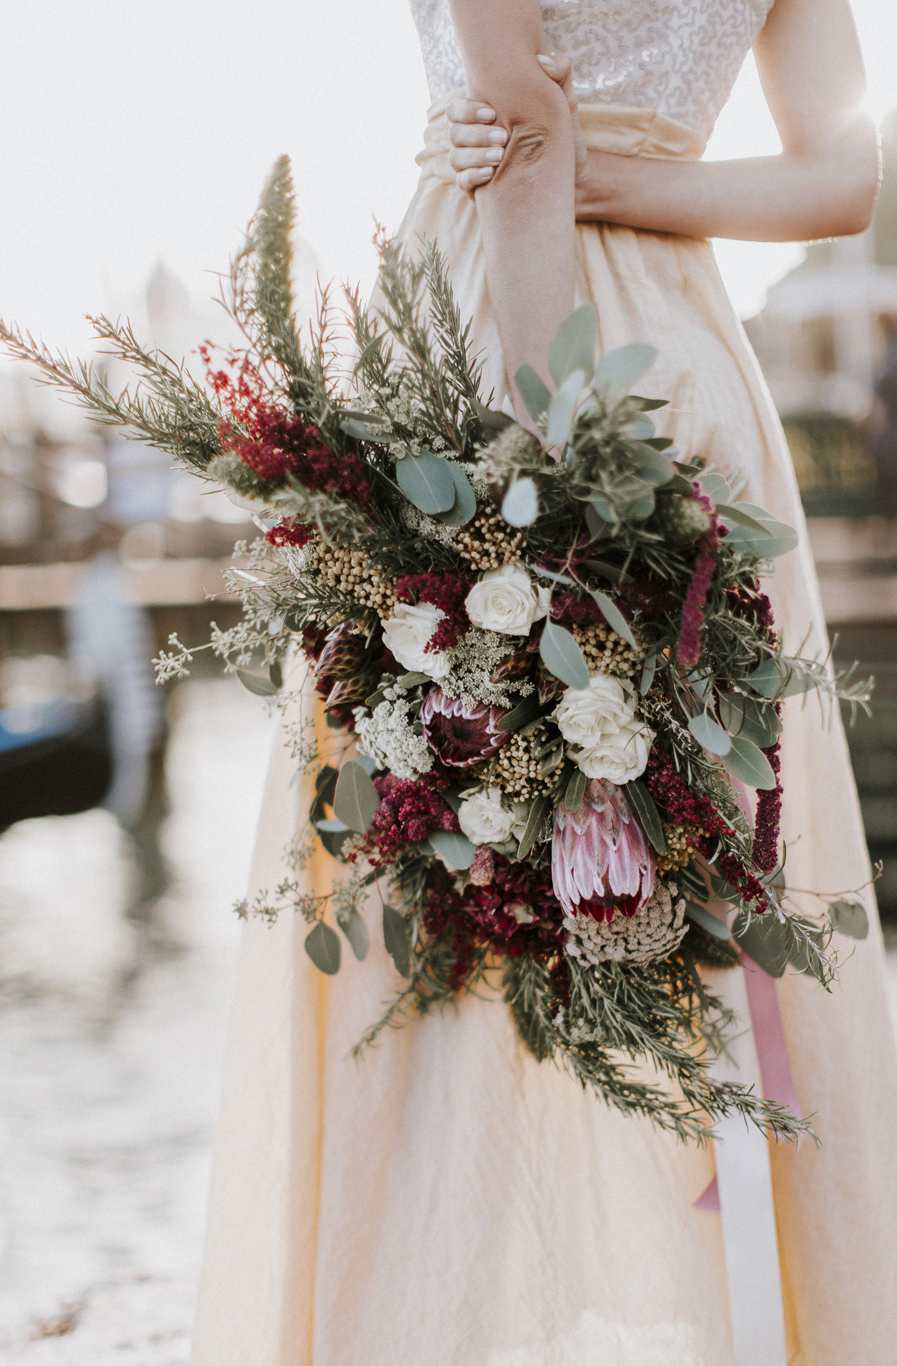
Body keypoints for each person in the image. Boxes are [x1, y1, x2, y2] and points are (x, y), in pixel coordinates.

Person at [191, 2, 897, 1362]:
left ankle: (419, 1315)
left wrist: (553, 482)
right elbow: (841, 176)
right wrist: (640, 180)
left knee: (433, 880)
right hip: (685, 365)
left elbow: (522, 139)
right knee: (697, 871)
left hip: (508, 351)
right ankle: (752, 1319)